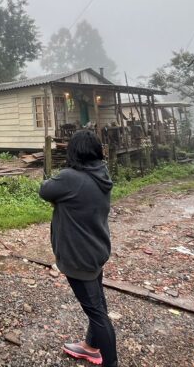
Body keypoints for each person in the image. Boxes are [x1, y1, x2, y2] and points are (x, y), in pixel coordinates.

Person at [39, 129, 118, 367]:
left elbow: (44, 189)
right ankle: (91, 347)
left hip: (79, 257)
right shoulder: (101, 173)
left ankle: (110, 362)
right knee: (98, 304)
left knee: (97, 312)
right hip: (96, 250)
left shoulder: (70, 178)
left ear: (74, 152)